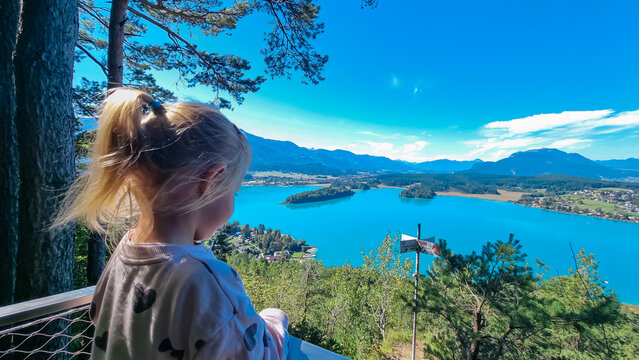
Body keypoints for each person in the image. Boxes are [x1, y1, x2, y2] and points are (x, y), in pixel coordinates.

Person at [54, 88, 289, 359]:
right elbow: (257, 353)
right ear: (210, 181)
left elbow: (101, 318)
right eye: (233, 192)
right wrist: (274, 322)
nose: (232, 208)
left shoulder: (125, 252)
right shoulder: (208, 284)